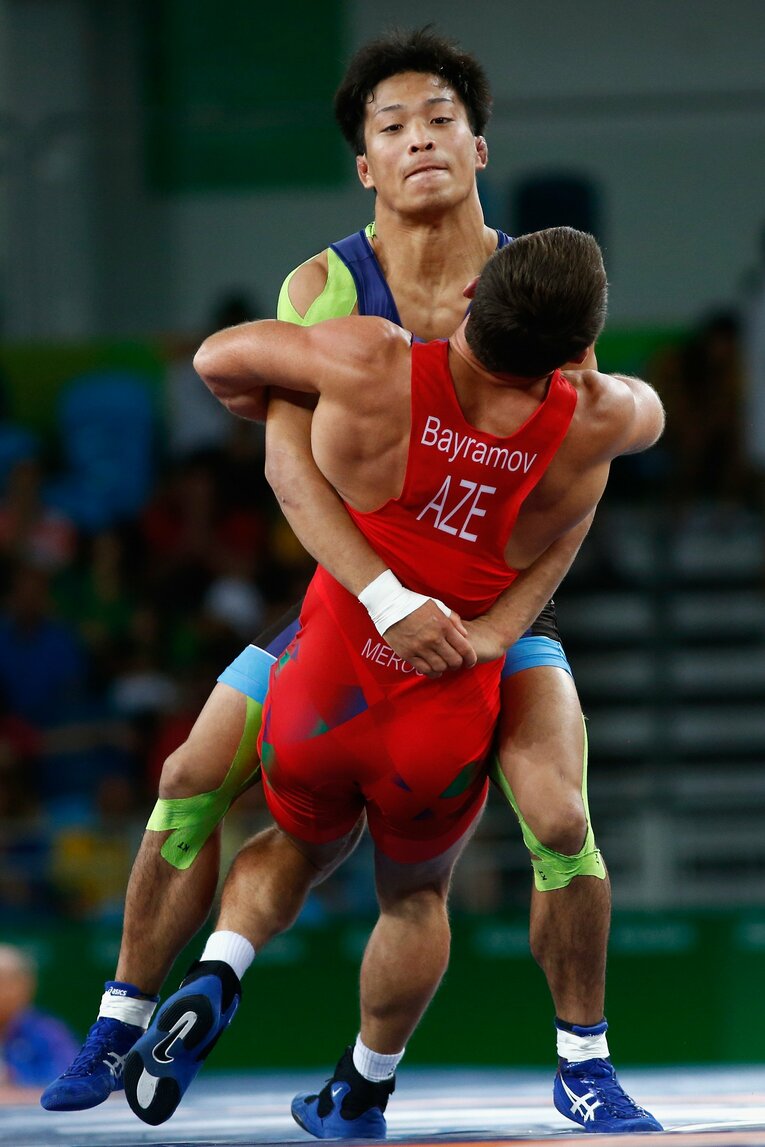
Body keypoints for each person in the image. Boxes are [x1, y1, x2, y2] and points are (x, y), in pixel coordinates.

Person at [43, 28, 646, 1132]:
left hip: (491, 607)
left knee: (562, 817)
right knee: (190, 775)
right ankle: (120, 1020)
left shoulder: (536, 285)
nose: (420, 140)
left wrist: (500, 625)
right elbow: (288, 467)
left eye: (439, 119)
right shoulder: (328, 286)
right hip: (359, 587)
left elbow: (578, 478)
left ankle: (584, 1063)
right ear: (365, 164)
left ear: (477, 145)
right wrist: (384, 596)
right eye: (392, 126)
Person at [119, 226, 665, 1133]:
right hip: (454, 680)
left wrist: (292, 396)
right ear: (574, 351)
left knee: (256, 819)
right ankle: (412, 1079)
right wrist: (496, 629)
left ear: (469, 300)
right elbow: (645, 414)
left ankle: (210, 970)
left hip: (336, 658)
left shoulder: (371, 359)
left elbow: (219, 362)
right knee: (449, 878)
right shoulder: (597, 417)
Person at [0, 944, 79, 1100]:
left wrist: (11, 1084)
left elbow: (70, 1087)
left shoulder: (47, 1032)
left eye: (4, 981)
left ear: (27, 985)